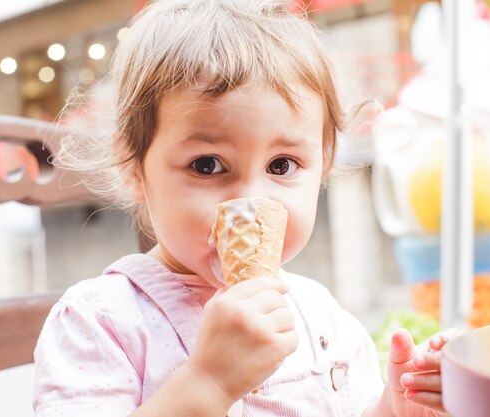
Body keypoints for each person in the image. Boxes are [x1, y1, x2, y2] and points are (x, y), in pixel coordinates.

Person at [33, 1, 457, 416]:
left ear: (323, 164)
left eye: (282, 165)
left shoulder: (320, 314)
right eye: (207, 165)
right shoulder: (100, 324)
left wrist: (394, 407)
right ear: (133, 167)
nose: (252, 202)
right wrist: (208, 383)